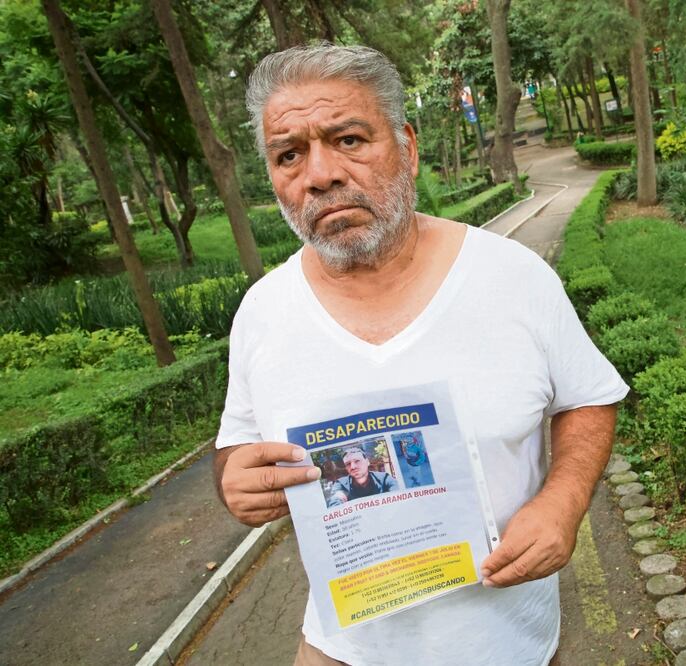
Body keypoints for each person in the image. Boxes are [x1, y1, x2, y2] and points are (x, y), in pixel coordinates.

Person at [212, 43, 627, 666]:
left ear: (405, 146)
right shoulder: (263, 312)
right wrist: (234, 484)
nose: (319, 174)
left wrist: (562, 503)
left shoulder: (512, 277)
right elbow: (236, 446)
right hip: (340, 647)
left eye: (348, 139)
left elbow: (589, 398)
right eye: (289, 154)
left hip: (508, 645)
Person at [327, 447, 397, 503]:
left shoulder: (384, 479)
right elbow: (336, 498)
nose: (353, 467)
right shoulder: (341, 484)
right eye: (348, 464)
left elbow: (397, 493)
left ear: (367, 462)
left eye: (357, 461)